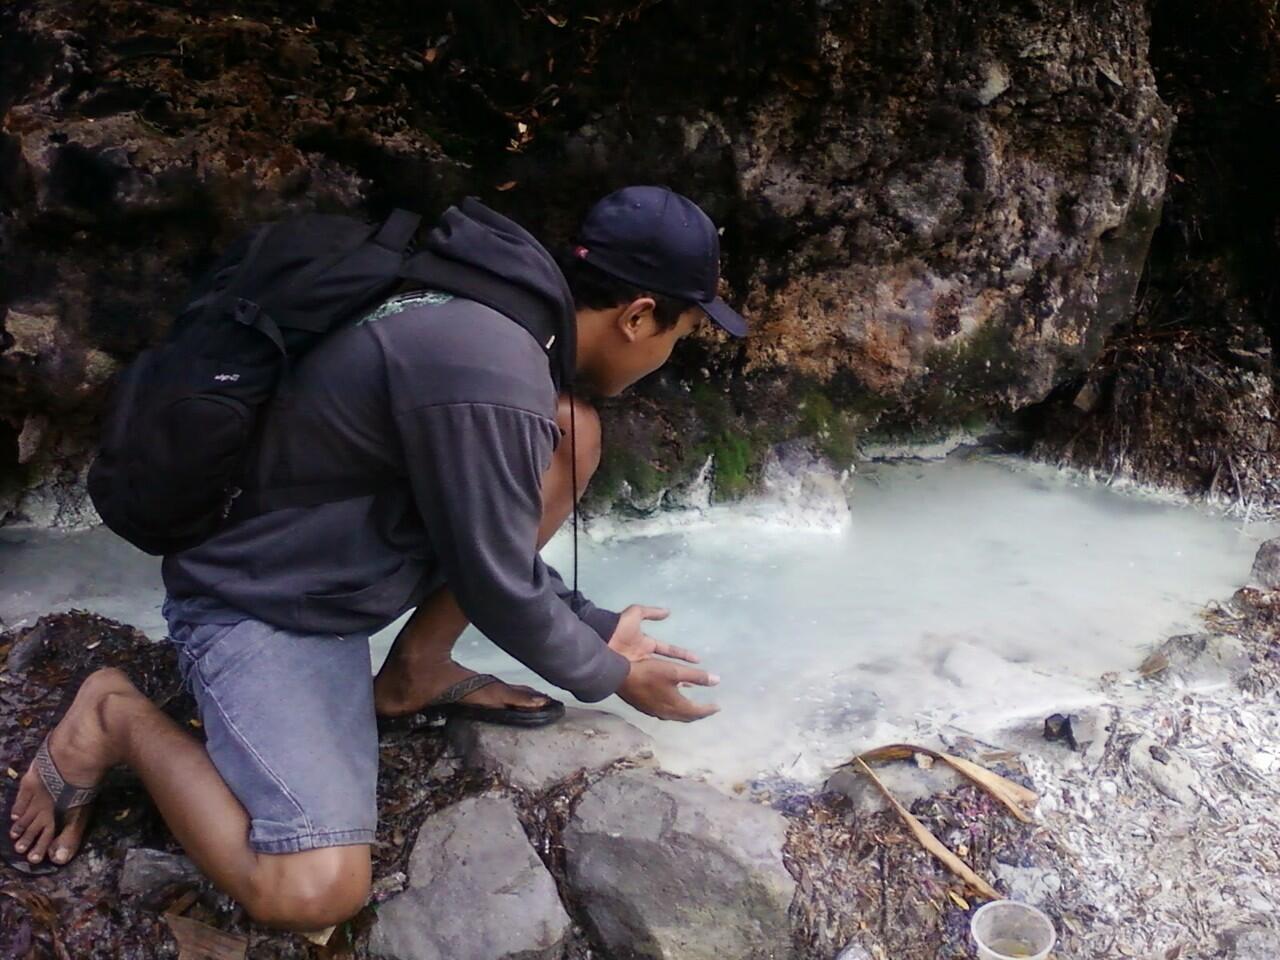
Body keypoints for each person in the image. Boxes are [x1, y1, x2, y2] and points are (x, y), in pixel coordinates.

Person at [3, 186, 747, 930]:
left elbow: (482, 531)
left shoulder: (500, 321)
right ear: (638, 315)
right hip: (261, 599)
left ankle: (415, 671)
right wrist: (617, 674)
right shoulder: (494, 374)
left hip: (340, 558)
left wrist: (591, 620)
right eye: (678, 334)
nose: (666, 356)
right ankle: (113, 716)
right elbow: (495, 583)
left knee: (571, 432)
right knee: (313, 891)